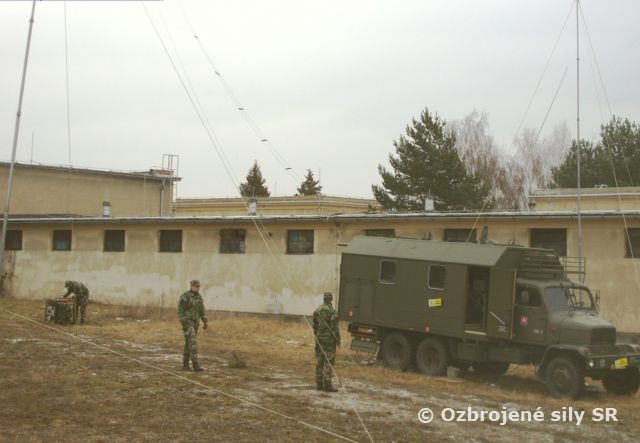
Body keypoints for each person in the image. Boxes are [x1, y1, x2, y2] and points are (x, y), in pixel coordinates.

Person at [312, 291, 341, 392]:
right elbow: (335, 328)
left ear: (324, 299)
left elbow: (314, 325)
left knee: (320, 360)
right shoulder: (333, 311)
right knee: (329, 361)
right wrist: (338, 340)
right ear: (331, 299)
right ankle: (327, 384)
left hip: (319, 339)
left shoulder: (318, 310)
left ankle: (319, 383)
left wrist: (317, 335)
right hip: (329, 340)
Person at [178, 279, 208, 372]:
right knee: (193, 342)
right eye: (195, 286)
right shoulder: (185, 296)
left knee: (188, 343)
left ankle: (185, 365)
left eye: (198, 286)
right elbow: (180, 311)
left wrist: (205, 321)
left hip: (196, 323)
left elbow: (202, 310)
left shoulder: (199, 297)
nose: (197, 288)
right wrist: (183, 322)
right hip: (187, 323)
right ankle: (195, 364)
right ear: (191, 286)